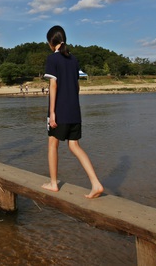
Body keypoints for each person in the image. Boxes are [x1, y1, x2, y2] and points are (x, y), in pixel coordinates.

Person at [42, 25, 104, 199]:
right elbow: (76, 87)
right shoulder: (73, 59)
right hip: (74, 111)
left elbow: (53, 85)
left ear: (50, 42)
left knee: (52, 145)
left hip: (59, 111)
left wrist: (52, 113)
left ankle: (53, 183)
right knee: (74, 146)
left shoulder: (52, 59)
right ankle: (96, 183)